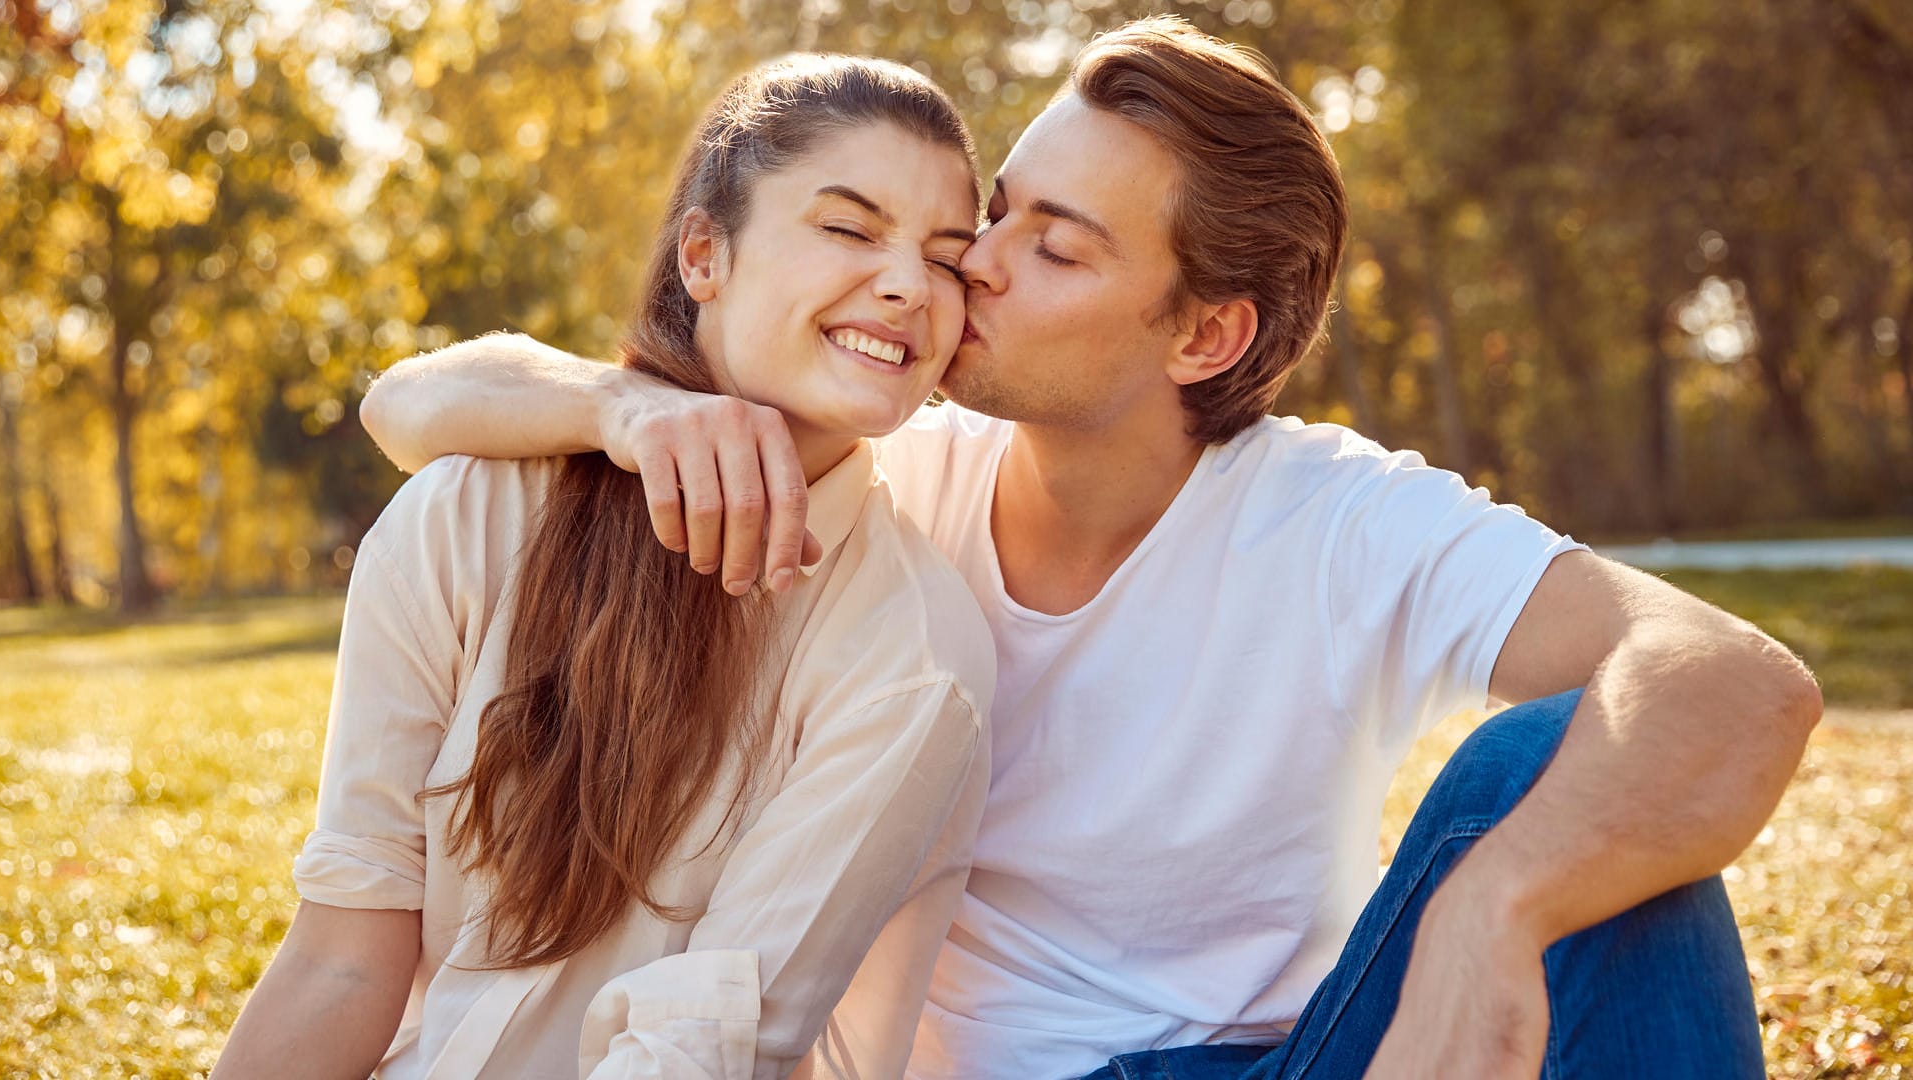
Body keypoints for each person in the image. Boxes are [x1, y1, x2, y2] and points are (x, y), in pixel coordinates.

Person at [359, 17, 1822, 1080]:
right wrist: (620, 406)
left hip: (1269, 1064)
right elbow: (413, 400)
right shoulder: (888, 460)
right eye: (998, 212)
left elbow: (1732, 681)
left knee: (1559, 791)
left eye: (1053, 246)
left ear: (1205, 333)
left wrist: (1493, 918)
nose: (969, 264)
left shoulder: (1338, 518)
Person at [212, 55, 998, 1080]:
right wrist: (614, 408)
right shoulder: (471, 516)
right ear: (704, 257)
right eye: (849, 228)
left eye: (946, 257)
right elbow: (342, 963)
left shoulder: (914, 661)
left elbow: (696, 1056)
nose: (906, 284)